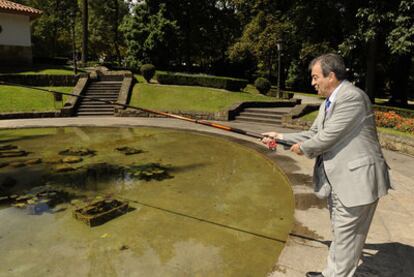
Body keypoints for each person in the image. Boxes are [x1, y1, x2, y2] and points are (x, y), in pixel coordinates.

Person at [262, 53, 391, 277]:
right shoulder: (329, 102)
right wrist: (279, 136)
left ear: (330, 76)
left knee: (346, 238)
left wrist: (303, 149)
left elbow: (326, 138)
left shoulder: (352, 97)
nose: (312, 83)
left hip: (356, 182)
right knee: (343, 237)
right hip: (341, 180)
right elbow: (314, 133)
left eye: (315, 77)